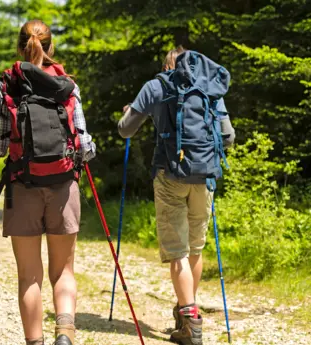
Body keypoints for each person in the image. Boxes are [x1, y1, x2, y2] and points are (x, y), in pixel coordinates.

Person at [0, 19, 96, 345]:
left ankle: (35, 342)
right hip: (62, 186)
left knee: (29, 276)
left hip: (22, 187)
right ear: (50, 47)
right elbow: (84, 146)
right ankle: (65, 333)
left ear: (20, 47)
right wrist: (80, 158)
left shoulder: (9, 85)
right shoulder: (67, 85)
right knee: (63, 272)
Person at [118, 47, 236, 345]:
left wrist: (128, 114)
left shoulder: (156, 85)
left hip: (169, 174)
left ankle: (190, 322)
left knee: (177, 250)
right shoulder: (210, 87)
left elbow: (125, 131)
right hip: (204, 176)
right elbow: (229, 137)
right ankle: (187, 308)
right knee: (194, 246)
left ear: (166, 65)